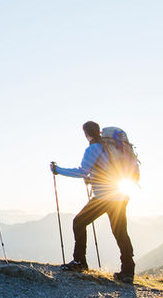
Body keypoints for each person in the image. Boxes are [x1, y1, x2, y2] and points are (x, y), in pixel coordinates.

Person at [50, 120, 135, 283]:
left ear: (86, 133)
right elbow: (107, 171)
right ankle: (128, 271)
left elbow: (82, 171)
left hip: (104, 197)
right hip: (120, 196)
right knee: (120, 232)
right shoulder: (111, 148)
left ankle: (79, 262)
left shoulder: (93, 149)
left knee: (79, 222)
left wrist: (58, 170)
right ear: (99, 132)